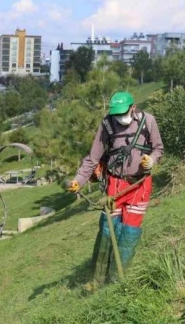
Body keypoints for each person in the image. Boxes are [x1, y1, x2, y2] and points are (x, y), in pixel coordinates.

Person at [67, 92, 164, 282]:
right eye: (116, 114)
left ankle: (117, 279)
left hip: (140, 185)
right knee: (108, 228)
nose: (119, 117)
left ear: (133, 108)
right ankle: (97, 278)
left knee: (130, 230)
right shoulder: (107, 125)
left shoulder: (148, 121)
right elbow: (92, 159)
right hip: (115, 184)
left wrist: (151, 160)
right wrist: (78, 180)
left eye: (122, 113)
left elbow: (158, 148)